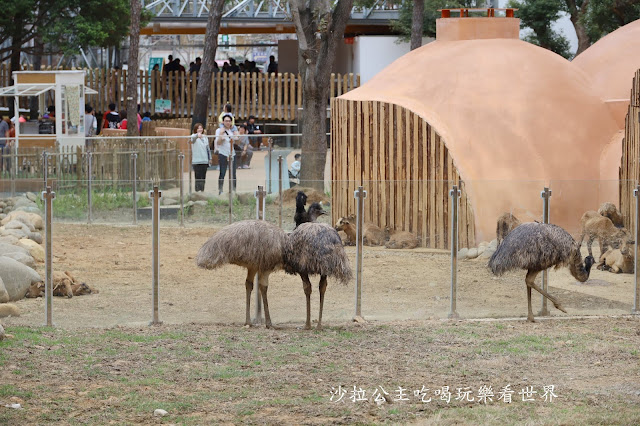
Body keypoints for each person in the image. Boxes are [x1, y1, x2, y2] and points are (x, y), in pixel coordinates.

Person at [214, 114, 238, 195]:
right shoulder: (219, 130)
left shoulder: (233, 130)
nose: (228, 123)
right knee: (222, 172)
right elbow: (218, 142)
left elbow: (237, 141)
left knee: (233, 173)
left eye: (229, 121)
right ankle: (220, 190)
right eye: (226, 121)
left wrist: (237, 135)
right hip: (223, 153)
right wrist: (221, 134)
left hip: (232, 154)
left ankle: (234, 190)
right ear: (223, 122)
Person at [190, 123, 212, 192]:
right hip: (196, 160)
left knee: (203, 177)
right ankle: (197, 191)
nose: (200, 129)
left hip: (204, 160)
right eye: (198, 128)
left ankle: (202, 190)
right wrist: (197, 136)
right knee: (197, 177)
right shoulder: (193, 136)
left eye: (201, 128)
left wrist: (210, 158)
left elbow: (207, 148)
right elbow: (192, 141)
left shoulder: (205, 137)